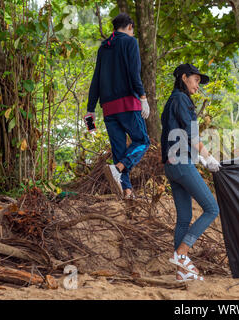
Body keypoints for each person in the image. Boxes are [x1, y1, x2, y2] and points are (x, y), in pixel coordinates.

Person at [161, 63, 221, 282]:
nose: (198, 85)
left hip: (172, 163)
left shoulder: (174, 100)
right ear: (184, 78)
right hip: (180, 162)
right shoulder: (180, 99)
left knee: (184, 218)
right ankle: (182, 253)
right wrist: (207, 156)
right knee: (212, 208)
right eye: (196, 80)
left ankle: (181, 272)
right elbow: (190, 133)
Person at [85, 13, 150, 199]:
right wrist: (143, 97)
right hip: (128, 104)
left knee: (119, 150)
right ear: (129, 26)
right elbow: (134, 73)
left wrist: (90, 109)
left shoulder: (104, 47)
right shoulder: (130, 42)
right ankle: (119, 168)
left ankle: (127, 192)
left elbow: (96, 78)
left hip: (108, 109)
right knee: (142, 141)